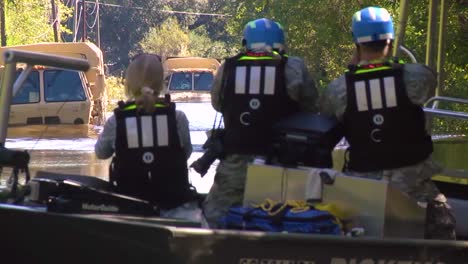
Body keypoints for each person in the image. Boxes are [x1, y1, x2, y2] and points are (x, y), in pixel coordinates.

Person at [319, 6, 456, 239]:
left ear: (356, 44)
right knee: (444, 221)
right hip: (416, 190)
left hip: (364, 192)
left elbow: (326, 113)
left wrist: (356, 65)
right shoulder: (415, 77)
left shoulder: (338, 89)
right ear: (390, 42)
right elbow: (428, 79)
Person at [202, 18, 319, 228]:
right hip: (282, 168)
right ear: (281, 44)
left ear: (246, 43)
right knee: (282, 222)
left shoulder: (228, 67)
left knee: (215, 222)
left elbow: (218, 104)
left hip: (235, 165)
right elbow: (311, 108)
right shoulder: (293, 67)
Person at [95, 53, 202, 222]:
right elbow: (185, 153)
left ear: (128, 82)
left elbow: (101, 153)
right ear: (161, 83)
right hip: (175, 206)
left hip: (129, 207)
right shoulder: (177, 117)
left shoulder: (117, 119)